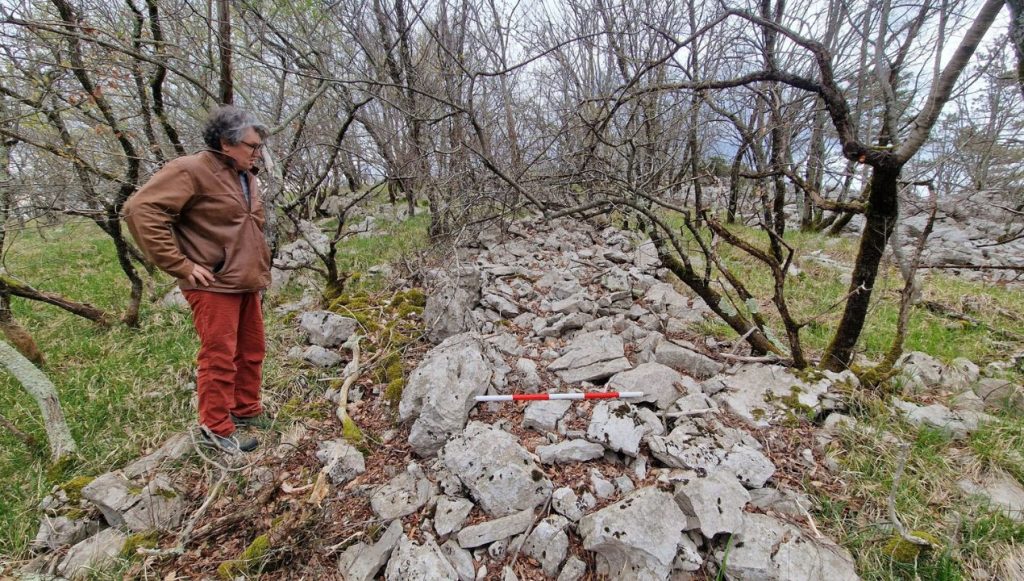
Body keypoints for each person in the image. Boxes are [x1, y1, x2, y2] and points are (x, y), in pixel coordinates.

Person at [123, 105, 272, 453]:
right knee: (219, 355)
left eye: (258, 146)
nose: (257, 152)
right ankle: (216, 427)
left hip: (245, 280)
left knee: (251, 350)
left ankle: (245, 409)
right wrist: (181, 264)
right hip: (213, 284)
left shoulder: (245, 175)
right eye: (252, 146)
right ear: (225, 143)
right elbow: (140, 210)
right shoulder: (191, 170)